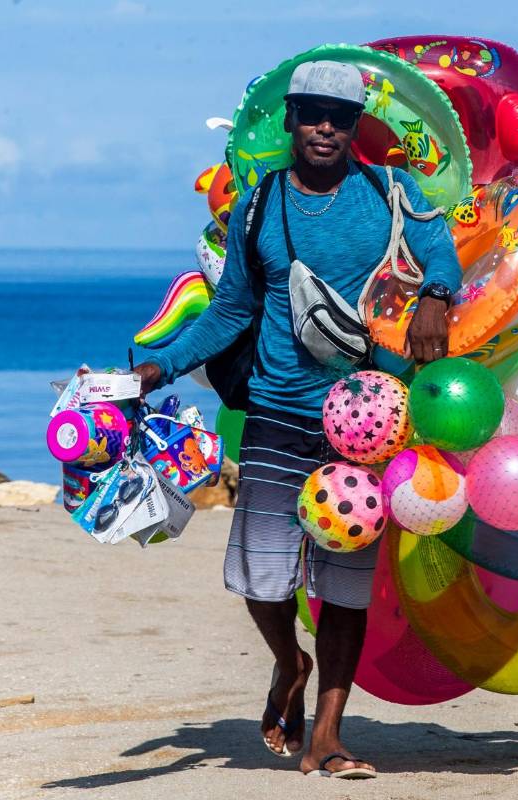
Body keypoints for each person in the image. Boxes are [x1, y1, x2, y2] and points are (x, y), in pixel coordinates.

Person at [134, 60, 461, 779]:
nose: (324, 127)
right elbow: (230, 310)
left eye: (340, 117)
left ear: (356, 127)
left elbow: (440, 248)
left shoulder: (388, 193)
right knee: (262, 580)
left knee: (344, 584)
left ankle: (330, 735)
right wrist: (162, 362)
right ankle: (290, 662)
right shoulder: (257, 206)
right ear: (289, 119)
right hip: (278, 411)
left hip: (364, 421)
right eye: (311, 112)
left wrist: (436, 293)